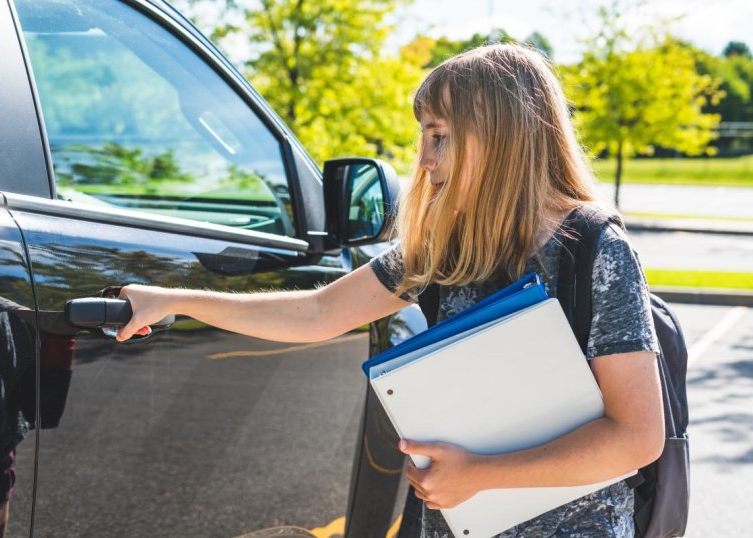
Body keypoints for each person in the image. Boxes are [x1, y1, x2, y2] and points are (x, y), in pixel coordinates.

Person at [115, 43, 664, 537]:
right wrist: (174, 300)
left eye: (439, 136)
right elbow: (318, 312)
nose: (423, 160)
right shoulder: (446, 248)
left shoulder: (596, 248)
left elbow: (636, 437)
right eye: (423, 136)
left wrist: (482, 474)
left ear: (502, 137)